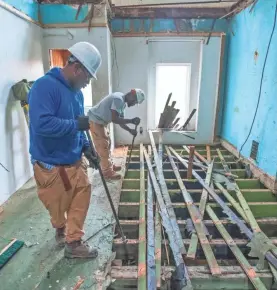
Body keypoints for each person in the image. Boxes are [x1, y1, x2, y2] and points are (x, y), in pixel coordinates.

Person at [28, 42, 102, 259]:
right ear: (76, 68)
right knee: (58, 206)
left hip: (74, 160)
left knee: (82, 196)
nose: (88, 83)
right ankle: (61, 229)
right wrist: (74, 126)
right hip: (52, 165)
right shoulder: (44, 87)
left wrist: (88, 149)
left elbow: (79, 126)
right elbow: (42, 125)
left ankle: (73, 242)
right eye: (87, 77)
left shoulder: (77, 94)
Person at [87, 89, 145, 180]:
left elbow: (120, 122)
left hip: (101, 122)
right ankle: (107, 172)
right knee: (103, 146)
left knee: (108, 143)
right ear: (131, 94)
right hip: (95, 121)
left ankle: (110, 165)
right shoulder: (119, 100)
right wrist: (131, 121)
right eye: (134, 101)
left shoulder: (122, 103)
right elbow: (114, 119)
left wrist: (130, 130)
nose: (133, 104)